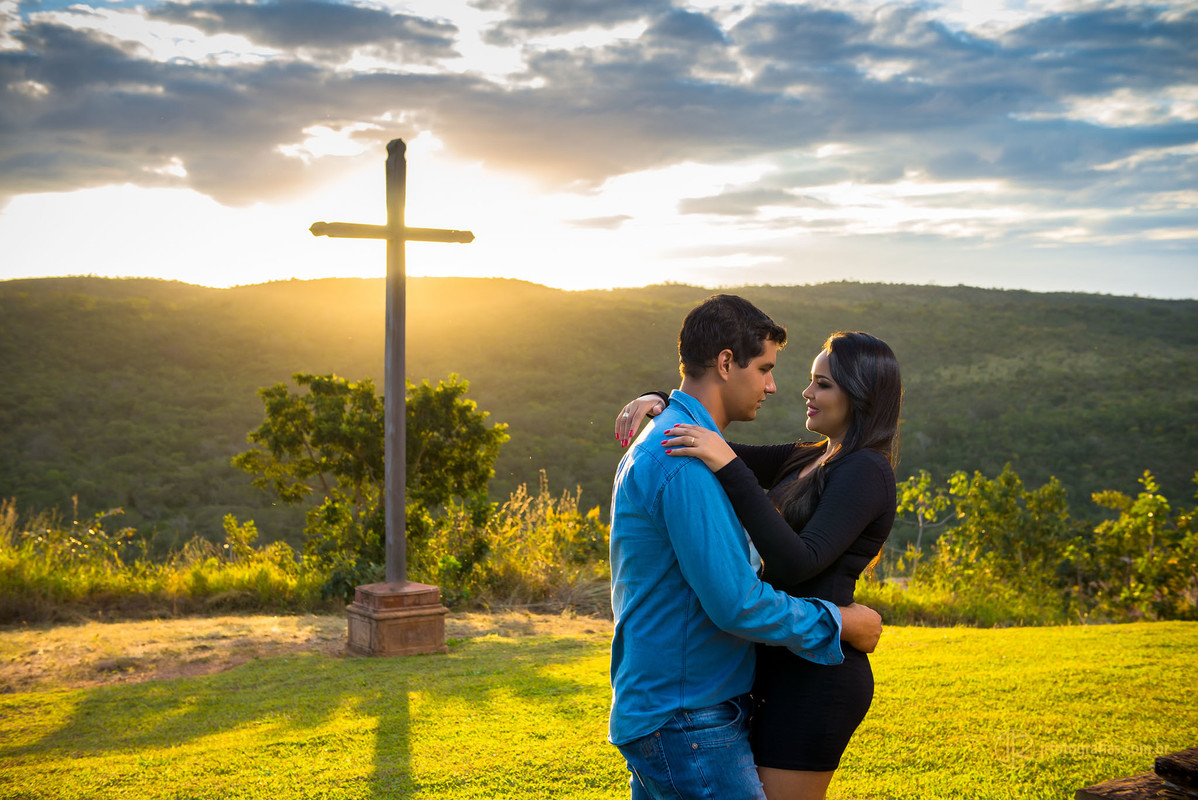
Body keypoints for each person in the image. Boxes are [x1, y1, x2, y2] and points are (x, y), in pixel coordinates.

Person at [608, 295, 884, 800]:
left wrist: (665, 407)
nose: (776, 386)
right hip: (687, 713)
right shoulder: (687, 457)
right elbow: (737, 603)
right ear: (726, 362)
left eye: (820, 382)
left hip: (690, 701)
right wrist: (840, 621)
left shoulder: (681, 443)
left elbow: (744, 475)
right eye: (765, 368)